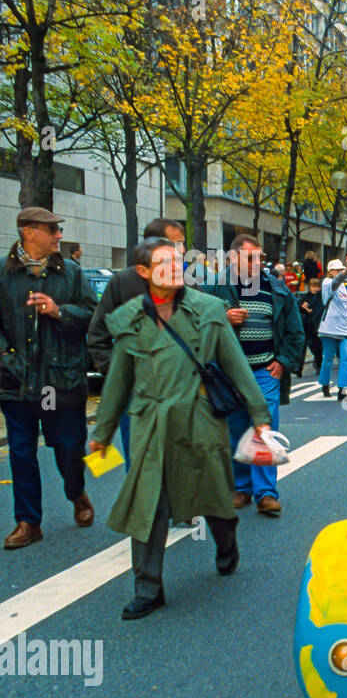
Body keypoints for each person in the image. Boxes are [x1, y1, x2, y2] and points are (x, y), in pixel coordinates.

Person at [87, 238, 273, 620]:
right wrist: (102, 434)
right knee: (148, 506)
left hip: (199, 422)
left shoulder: (208, 310)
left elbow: (236, 366)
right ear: (142, 273)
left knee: (216, 498)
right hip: (149, 427)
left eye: (177, 261)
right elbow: (119, 381)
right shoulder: (130, 320)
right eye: (164, 263)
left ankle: (226, 543)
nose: (175, 268)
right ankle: (148, 588)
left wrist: (260, 417)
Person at [1, 206, 96, 549]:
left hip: (55, 383)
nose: (59, 235)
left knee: (67, 447)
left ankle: (77, 492)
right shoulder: (3, 272)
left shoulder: (71, 272)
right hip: (15, 381)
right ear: (28, 232)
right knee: (21, 452)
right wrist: (4, 356)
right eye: (52, 229)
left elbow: (91, 314)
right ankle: (28, 522)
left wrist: (60, 312)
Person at [201, 233, 304, 517]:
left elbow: (295, 330)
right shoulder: (214, 288)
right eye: (250, 258)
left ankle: (266, 494)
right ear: (233, 258)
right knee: (235, 429)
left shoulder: (276, 288)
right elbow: (195, 326)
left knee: (264, 428)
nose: (257, 263)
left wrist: (282, 362)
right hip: (228, 374)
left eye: (259, 257)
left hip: (264, 372)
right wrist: (222, 318)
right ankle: (241, 487)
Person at [87, 217, 186, 467]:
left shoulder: (186, 280)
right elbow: (98, 333)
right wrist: (117, 372)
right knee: (140, 457)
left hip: (179, 387)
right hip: (137, 389)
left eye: (182, 245)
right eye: (176, 244)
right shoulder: (123, 282)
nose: (182, 251)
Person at [318, 259, 347, 401]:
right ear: (330, 271)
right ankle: (325, 384)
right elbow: (335, 282)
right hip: (330, 328)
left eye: (341, 270)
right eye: (336, 270)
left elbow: (344, 306)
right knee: (328, 359)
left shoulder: (343, 286)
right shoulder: (327, 283)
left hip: (345, 327)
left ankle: (342, 389)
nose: (339, 272)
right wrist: (345, 271)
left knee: (346, 358)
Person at [298, 276, 324, 374]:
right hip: (306, 325)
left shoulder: (320, 297)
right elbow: (300, 308)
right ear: (309, 287)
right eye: (313, 287)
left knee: (317, 347)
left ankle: (319, 366)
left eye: (317, 287)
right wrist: (302, 307)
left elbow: (319, 309)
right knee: (302, 347)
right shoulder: (305, 296)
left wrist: (309, 310)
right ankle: (299, 369)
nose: (315, 289)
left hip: (316, 325)